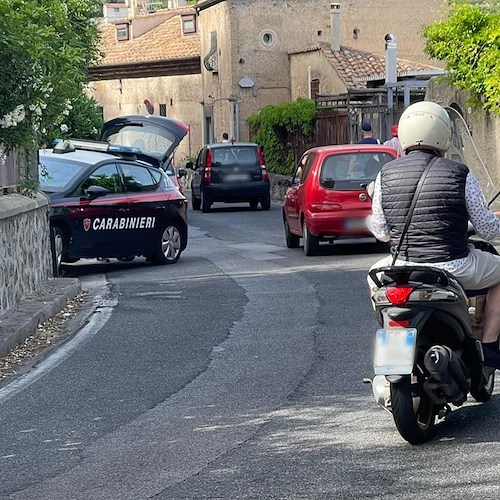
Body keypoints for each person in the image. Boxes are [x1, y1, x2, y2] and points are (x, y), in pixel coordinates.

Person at [366, 100, 500, 367]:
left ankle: (393, 330)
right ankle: (489, 344)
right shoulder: (460, 173)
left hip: (402, 267)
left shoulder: (385, 174)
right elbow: (486, 229)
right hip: (454, 266)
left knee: (373, 278)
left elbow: (381, 232)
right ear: (444, 135)